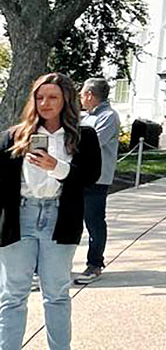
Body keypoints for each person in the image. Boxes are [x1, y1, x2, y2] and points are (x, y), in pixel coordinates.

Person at [0, 73, 101, 350]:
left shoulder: (83, 136)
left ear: (65, 100)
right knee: (12, 295)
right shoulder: (14, 136)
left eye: (53, 97)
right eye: (40, 97)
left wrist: (56, 166)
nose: (45, 103)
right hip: (19, 217)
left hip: (60, 218)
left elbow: (91, 176)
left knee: (56, 294)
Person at [75, 78, 120, 285]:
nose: (80, 98)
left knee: (94, 221)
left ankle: (94, 264)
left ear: (90, 95)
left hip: (97, 178)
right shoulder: (85, 117)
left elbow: (91, 143)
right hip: (76, 176)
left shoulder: (108, 117)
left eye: (82, 94)